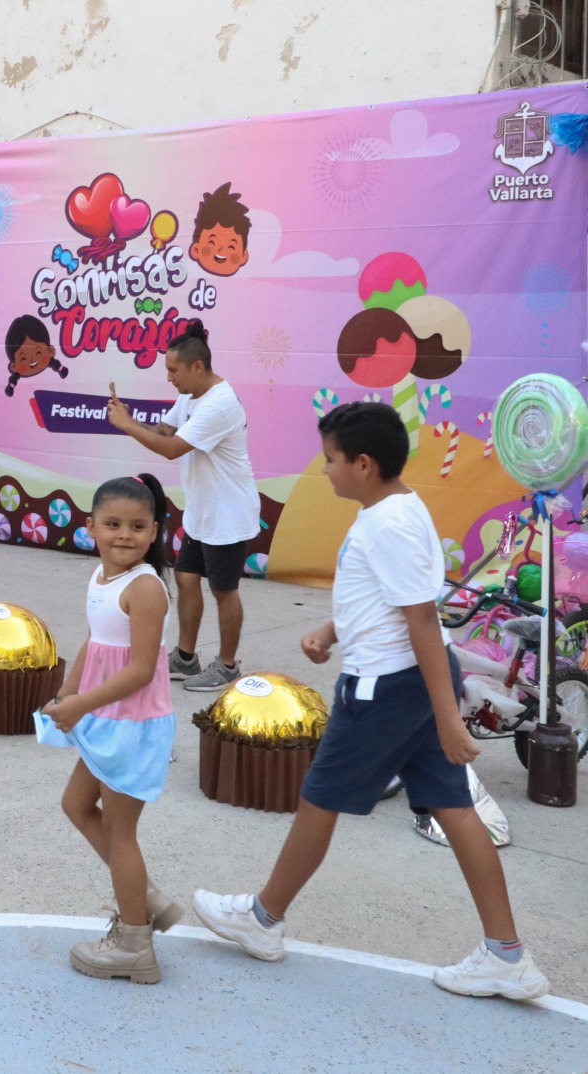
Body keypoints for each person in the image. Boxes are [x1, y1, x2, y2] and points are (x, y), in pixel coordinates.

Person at [194, 402, 550, 1002]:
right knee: (453, 808)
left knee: (318, 799)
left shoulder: (386, 524)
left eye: (331, 459)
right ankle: (506, 955)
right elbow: (391, 600)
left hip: (386, 689)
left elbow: (420, 621)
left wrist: (447, 718)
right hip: (405, 681)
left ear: (362, 463)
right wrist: (331, 631)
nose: (326, 470)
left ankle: (261, 920)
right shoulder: (399, 508)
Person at [34, 473, 181, 984]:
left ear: (155, 530)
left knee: (121, 833)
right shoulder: (101, 579)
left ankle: (135, 945)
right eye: (113, 524)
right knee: (76, 804)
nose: (125, 535)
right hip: (106, 716)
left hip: (132, 724)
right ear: (90, 525)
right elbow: (97, 645)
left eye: (138, 526)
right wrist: (66, 695)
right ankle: (144, 899)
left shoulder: (146, 589)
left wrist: (80, 706)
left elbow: (140, 670)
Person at [107, 321, 259, 692]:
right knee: (187, 578)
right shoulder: (191, 396)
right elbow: (167, 432)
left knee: (224, 590)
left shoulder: (220, 403)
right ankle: (186, 659)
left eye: (173, 371)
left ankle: (227, 666)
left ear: (197, 367)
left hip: (228, 515)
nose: (170, 378)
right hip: (202, 512)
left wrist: (127, 426)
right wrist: (135, 420)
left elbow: (173, 449)